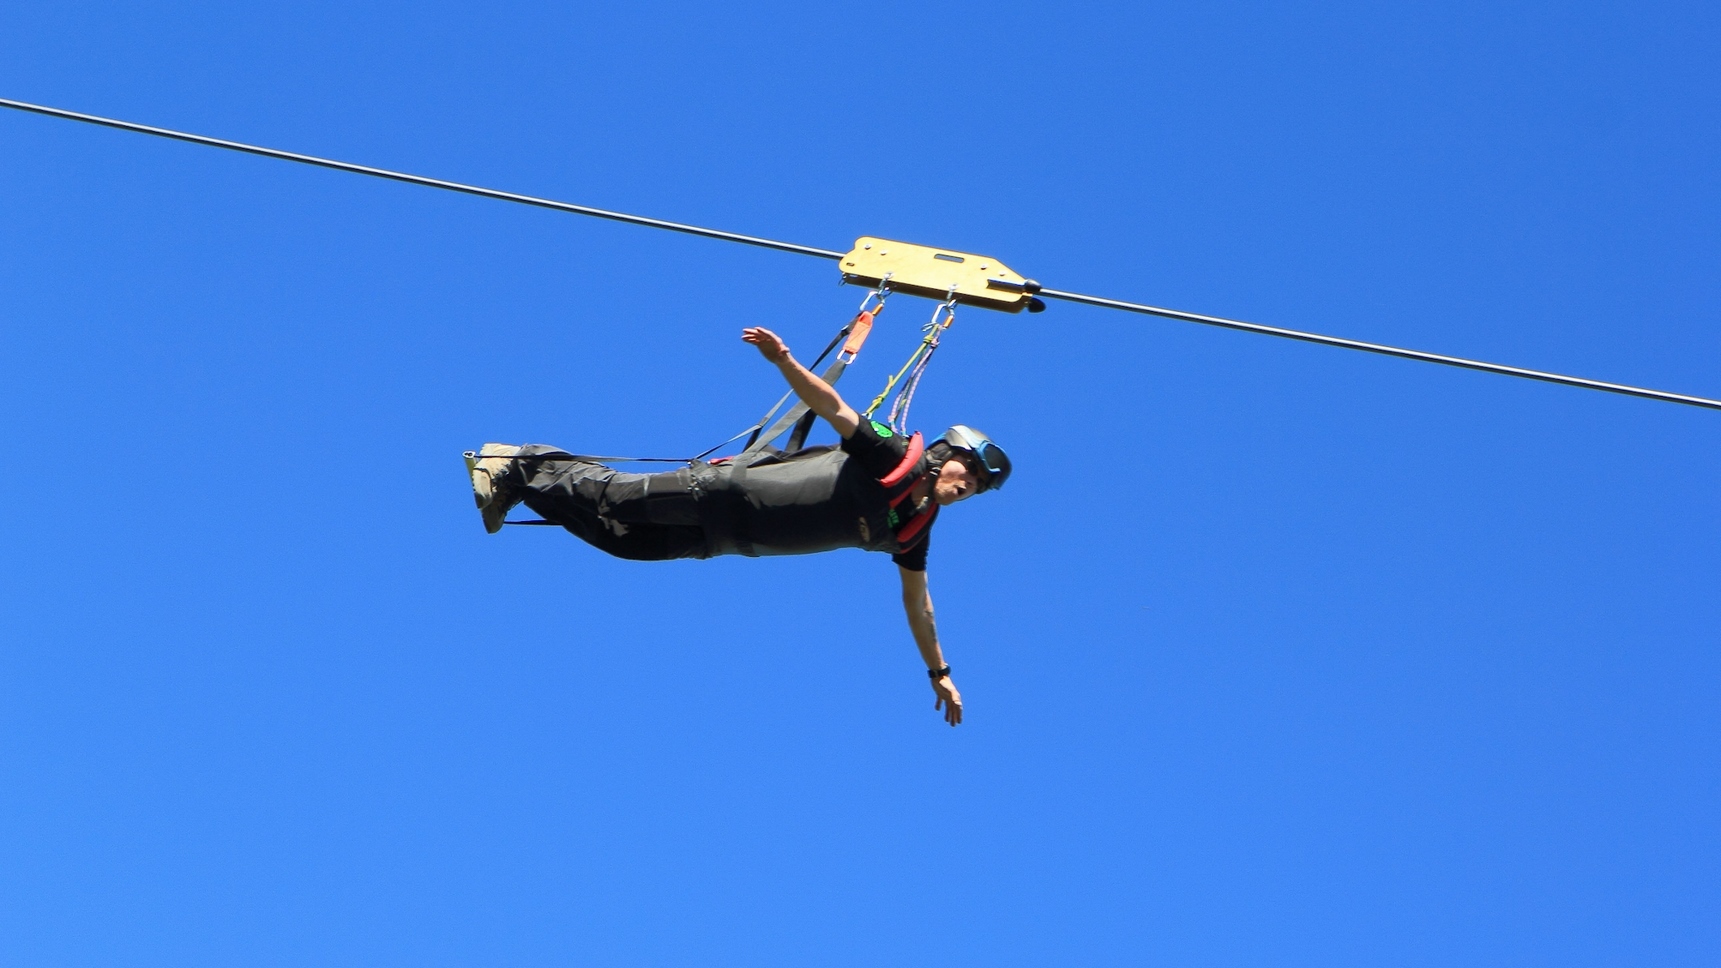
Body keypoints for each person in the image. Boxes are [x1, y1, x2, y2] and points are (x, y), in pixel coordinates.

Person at [466, 326, 1011, 727]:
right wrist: (785, 361)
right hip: (718, 493)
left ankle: (517, 484)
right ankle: (519, 460)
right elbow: (831, 404)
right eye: (970, 474)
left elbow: (919, 604)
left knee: (623, 543)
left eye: (978, 490)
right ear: (946, 455)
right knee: (613, 496)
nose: (968, 489)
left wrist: (938, 671)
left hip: (722, 538)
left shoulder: (913, 528)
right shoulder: (892, 456)